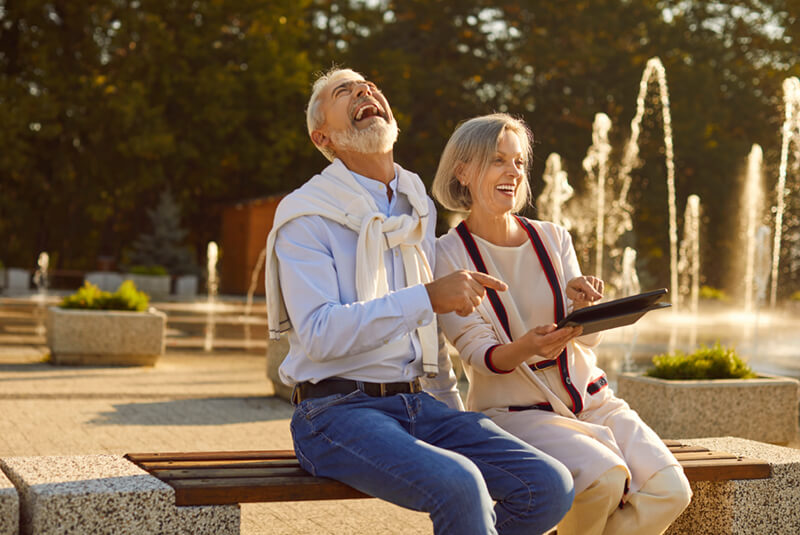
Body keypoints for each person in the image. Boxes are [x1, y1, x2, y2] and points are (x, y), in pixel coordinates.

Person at [264, 69, 573, 535]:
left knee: (549, 484)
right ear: (321, 135)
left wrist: (451, 409)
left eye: (368, 86)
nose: (364, 91)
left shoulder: (415, 203)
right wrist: (427, 296)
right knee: (461, 484)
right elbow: (319, 334)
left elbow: (426, 332)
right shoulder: (305, 215)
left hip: (418, 404)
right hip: (333, 414)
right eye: (343, 92)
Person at [432, 113, 692, 535]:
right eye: (498, 160)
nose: (512, 173)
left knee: (672, 491)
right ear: (462, 170)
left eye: (518, 163)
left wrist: (585, 308)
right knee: (602, 481)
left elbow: (586, 341)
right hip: (517, 413)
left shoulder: (553, 238)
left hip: (593, 401)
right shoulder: (447, 254)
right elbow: (479, 355)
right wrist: (530, 347)